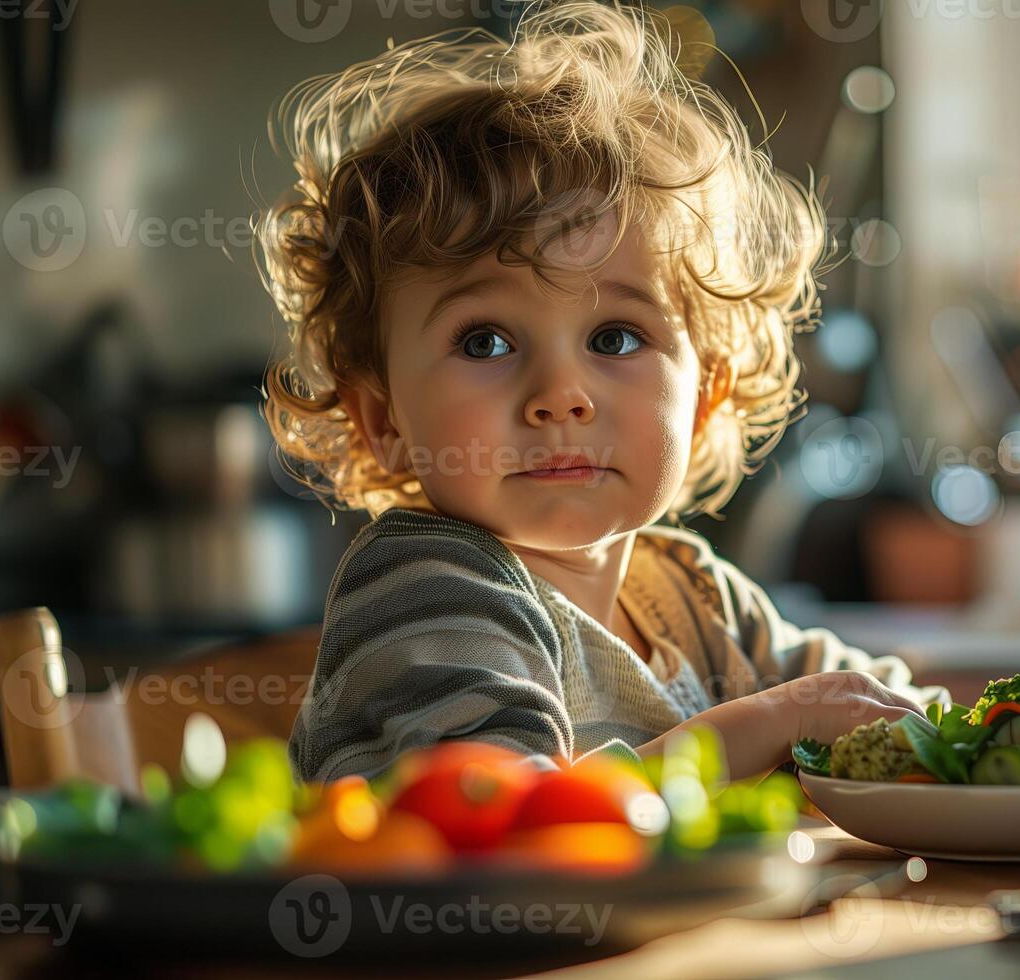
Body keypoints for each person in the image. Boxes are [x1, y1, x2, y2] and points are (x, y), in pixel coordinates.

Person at [256, 1, 946, 783]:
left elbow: (873, 704)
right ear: (382, 417)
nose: (560, 396)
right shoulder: (427, 590)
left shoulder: (693, 598)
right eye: (485, 342)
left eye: (614, 338)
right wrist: (774, 723)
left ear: (708, 393)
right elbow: (499, 820)